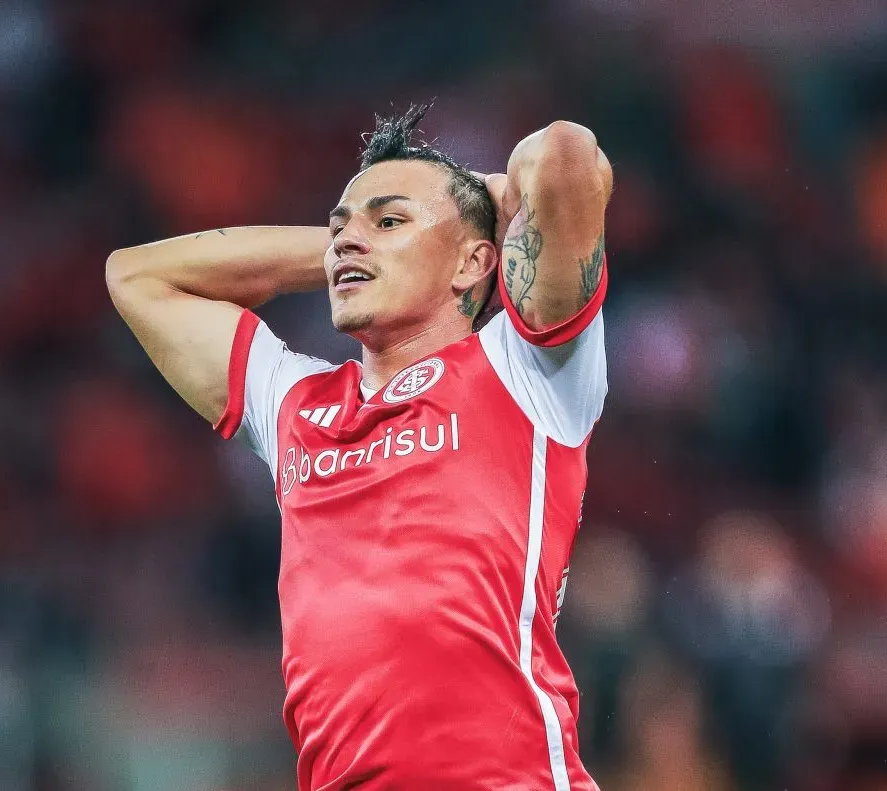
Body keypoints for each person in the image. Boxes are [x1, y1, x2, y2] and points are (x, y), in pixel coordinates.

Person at [106, 102, 612, 790]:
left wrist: (482, 202)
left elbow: (566, 155)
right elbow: (136, 277)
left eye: (389, 221)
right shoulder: (295, 400)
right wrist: (353, 246)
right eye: (340, 227)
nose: (348, 241)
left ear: (473, 260)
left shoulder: (525, 368)